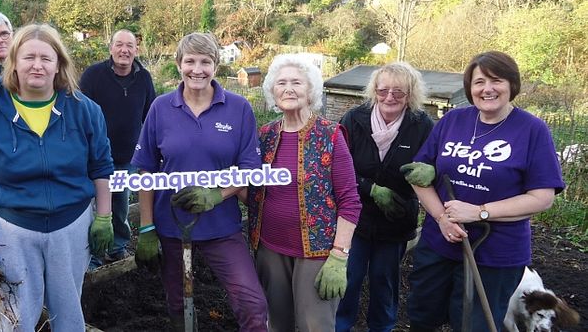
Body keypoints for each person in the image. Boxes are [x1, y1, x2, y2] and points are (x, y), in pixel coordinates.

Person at [0, 23, 114, 332]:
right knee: (15, 315)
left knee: (68, 312)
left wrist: (104, 216)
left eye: (46, 58)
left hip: (71, 225)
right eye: (28, 57)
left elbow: (101, 167)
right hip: (10, 230)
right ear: (13, 62)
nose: (37, 65)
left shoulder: (85, 111)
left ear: (59, 66)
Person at [403, 51, 564, 332]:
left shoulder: (532, 130)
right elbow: (419, 174)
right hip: (439, 241)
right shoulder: (453, 121)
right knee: (422, 316)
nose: (487, 89)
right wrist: (442, 218)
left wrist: (479, 212)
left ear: (511, 85)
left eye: (496, 80)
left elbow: (542, 196)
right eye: (479, 82)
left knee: (473, 324)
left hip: (496, 252)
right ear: (470, 88)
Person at [132, 32, 268, 331]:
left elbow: (249, 168)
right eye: (190, 61)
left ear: (215, 66)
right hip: (172, 225)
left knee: (252, 304)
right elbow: (146, 170)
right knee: (179, 302)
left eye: (205, 62)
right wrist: (146, 227)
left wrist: (218, 195)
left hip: (221, 225)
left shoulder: (238, 108)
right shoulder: (161, 108)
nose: (197, 69)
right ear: (179, 64)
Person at [246, 54, 361, 332]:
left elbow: (350, 201)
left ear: (311, 91)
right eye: (281, 83)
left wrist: (339, 255)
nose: (288, 89)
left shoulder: (330, 135)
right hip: (270, 248)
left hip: (318, 252)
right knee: (277, 324)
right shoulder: (265, 135)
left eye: (296, 82)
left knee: (316, 326)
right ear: (272, 92)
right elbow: (250, 189)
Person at [335, 62, 434, 332]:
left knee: (384, 280)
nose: (389, 97)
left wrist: (432, 172)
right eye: (383, 90)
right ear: (374, 91)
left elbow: (432, 165)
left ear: (410, 94)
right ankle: (340, 326)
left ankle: (382, 327)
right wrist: (370, 189)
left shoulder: (421, 125)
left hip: (396, 218)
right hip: (354, 217)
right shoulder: (354, 120)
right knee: (349, 277)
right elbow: (336, 168)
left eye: (399, 93)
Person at [80, 29, 155, 265]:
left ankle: (117, 247)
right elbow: (80, 113)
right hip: (93, 156)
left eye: (129, 46)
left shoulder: (143, 78)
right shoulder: (93, 76)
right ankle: (91, 254)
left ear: (136, 50)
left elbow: (151, 115)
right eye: (119, 45)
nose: (124, 50)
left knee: (120, 204)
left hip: (126, 156)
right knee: (90, 207)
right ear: (110, 48)